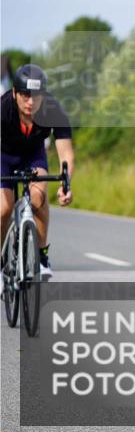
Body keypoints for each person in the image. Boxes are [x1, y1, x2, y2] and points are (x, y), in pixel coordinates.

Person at [0, 64, 74, 280]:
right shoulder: (3, 110)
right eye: (25, 95)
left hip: (33, 154)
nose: (31, 102)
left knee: (38, 198)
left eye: (36, 95)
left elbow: (66, 154)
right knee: (4, 209)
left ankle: (41, 257)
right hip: (4, 156)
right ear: (15, 93)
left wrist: (65, 184)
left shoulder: (53, 110)